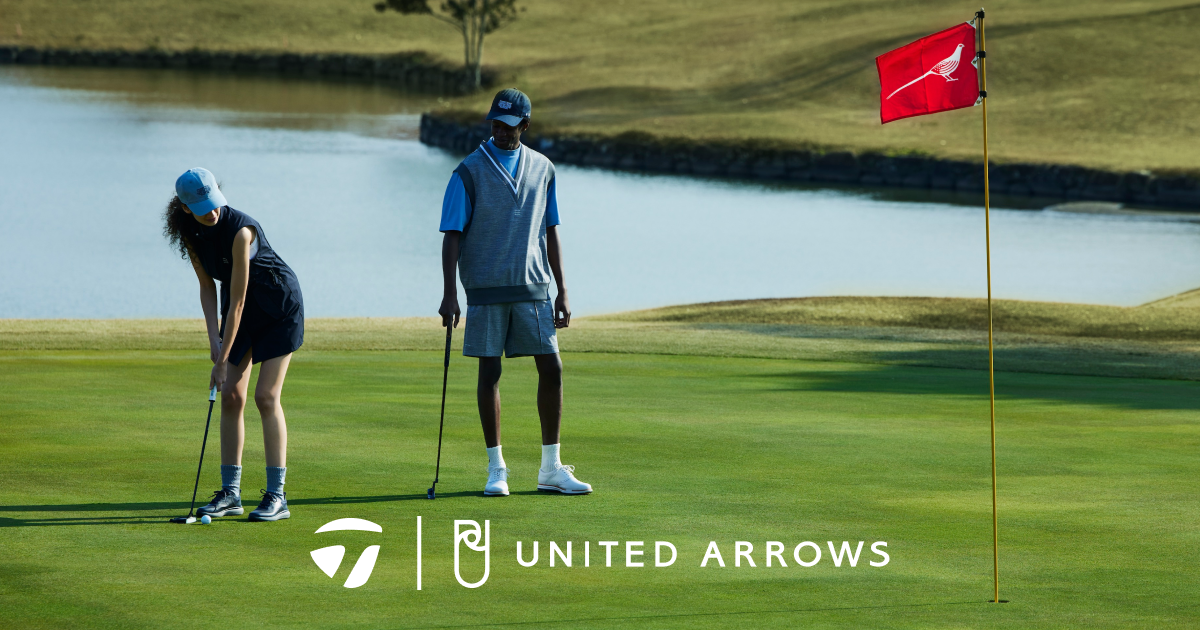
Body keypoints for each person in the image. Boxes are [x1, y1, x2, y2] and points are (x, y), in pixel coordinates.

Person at [438, 88, 592, 497]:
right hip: (485, 289)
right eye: (496, 124)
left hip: (535, 287)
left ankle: (551, 469)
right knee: (490, 373)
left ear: (525, 125)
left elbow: (551, 230)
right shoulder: (468, 171)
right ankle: (496, 469)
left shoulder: (544, 169)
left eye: (509, 126)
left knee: (552, 368)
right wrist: (450, 293)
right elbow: (452, 236)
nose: (501, 131)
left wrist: (563, 290)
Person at [163, 167, 304, 521]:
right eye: (201, 207)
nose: (211, 212)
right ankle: (231, 494)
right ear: (185, 208)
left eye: (213, 203)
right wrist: (213, 337)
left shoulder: (241, 231)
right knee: (230, 396)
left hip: (278, 307)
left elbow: (237, 301)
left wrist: (222, 358)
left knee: (265, 396)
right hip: (241, 311)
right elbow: (207, 287)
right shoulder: (190, 233)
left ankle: (277, 497)